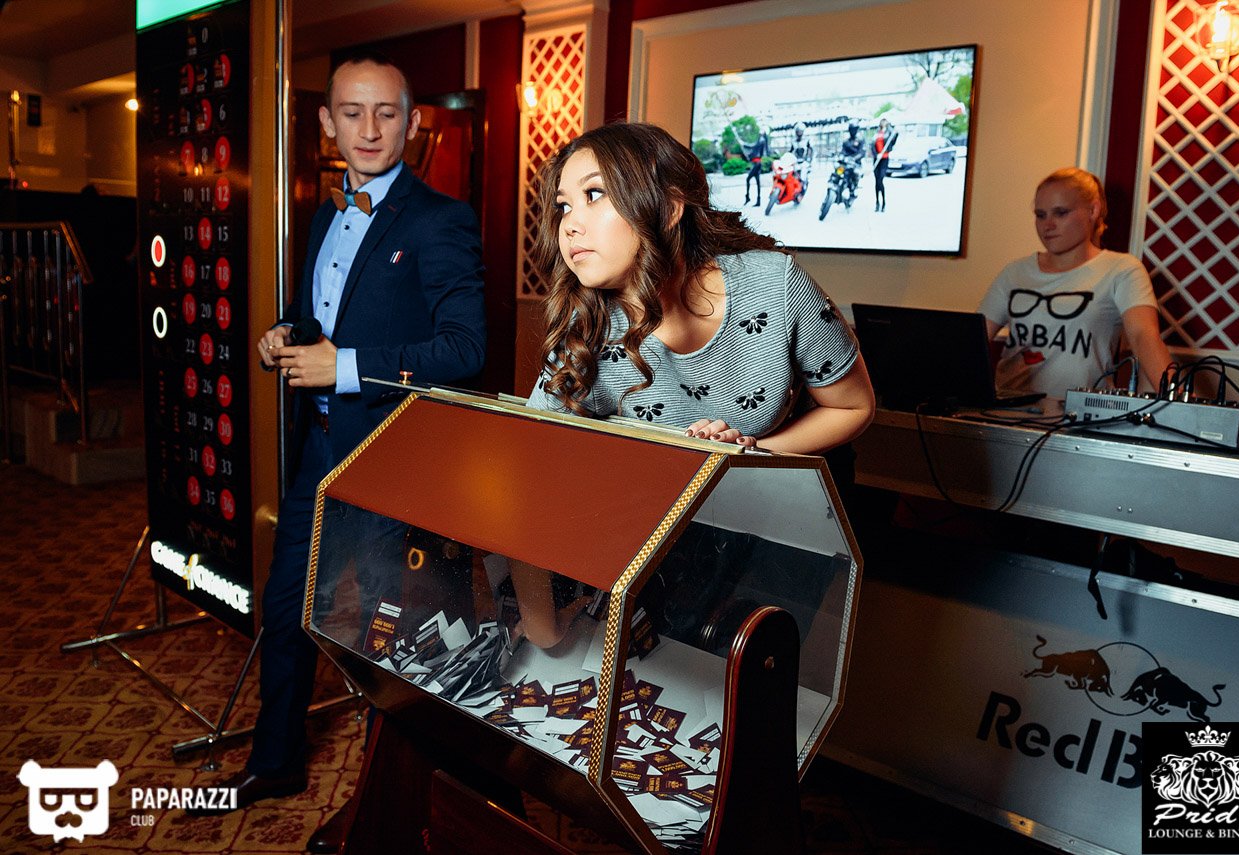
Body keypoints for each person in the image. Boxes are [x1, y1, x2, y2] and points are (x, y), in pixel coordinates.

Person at [192, 52, 486, 851]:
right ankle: (276, 762)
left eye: (386, 112)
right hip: (319, 449)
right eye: (352, 112)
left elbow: (465, 349)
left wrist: (345, 366)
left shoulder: (441, 219)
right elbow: (317, 319)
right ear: (326, 123)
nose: (369, 128)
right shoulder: (325, 216)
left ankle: (383, 809)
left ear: (412, 123)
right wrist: (284, 336)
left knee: (387, 639)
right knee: (285, 609)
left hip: (393, 458)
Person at [518, 122, 876, 648]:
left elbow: (853, 407)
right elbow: (528, 472)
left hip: (779, 522)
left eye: (594, 195)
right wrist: (543, 629)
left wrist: (746, 455)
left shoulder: (775, 284)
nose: (569, 224)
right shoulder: (585, 324)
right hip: (664, 525)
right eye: (563, 206)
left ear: (668, 208)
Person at [978, 167, 1174, 397]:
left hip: (1081, 411)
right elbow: (972, 340)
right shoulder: (1015, 272)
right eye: (1040, 215)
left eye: (1060, 213)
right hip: (1010, 407)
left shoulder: (1121, 270)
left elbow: (1143, 336)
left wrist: (1179, 403)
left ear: (1093, 210)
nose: (1048, 225)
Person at [871, 118, 896, 212]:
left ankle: (884, 202)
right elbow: (872, 145)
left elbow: (893, 140)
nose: (883, 123)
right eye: (882, 121)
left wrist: (889, 127)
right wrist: (876, 154)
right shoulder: (877, 132)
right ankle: (877, 202)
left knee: (880, 180)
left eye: (885, 121)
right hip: (877, 158)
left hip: (884, 159)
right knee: (876, 181)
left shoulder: (889, 133)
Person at [743, 128, 767, 207]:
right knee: (757, 182)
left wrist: (745, 144)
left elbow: (753, 146)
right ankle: (758, 201)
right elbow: (754, 149)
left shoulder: (762, 140)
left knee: (748, 179)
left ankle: (748, 197)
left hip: (757, 164)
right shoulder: (760, 141)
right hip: (757, 163)